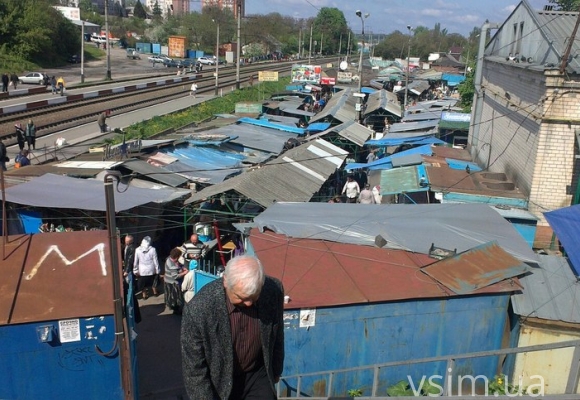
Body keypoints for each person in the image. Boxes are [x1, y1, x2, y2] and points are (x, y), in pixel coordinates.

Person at [181, 254, 285, 400]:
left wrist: (276, 370)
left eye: (253, 297)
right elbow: (194, 369)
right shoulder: (199, 309)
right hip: (219, 381)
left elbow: (277, 333)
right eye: (241, 298)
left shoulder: (273, 290)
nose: (248, 304)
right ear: (225, 282)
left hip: (257, 374)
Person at [164, 248, 188, 314]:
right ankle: (176, 310)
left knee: (171, 295)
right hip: (172, 282)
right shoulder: (172, 265)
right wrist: (184, 273)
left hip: (168, 280)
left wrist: (182, 267)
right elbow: (175, 276)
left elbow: (179, 264)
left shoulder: (170, 258)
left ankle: (173, 306)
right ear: (176, 257)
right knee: (175, 296)